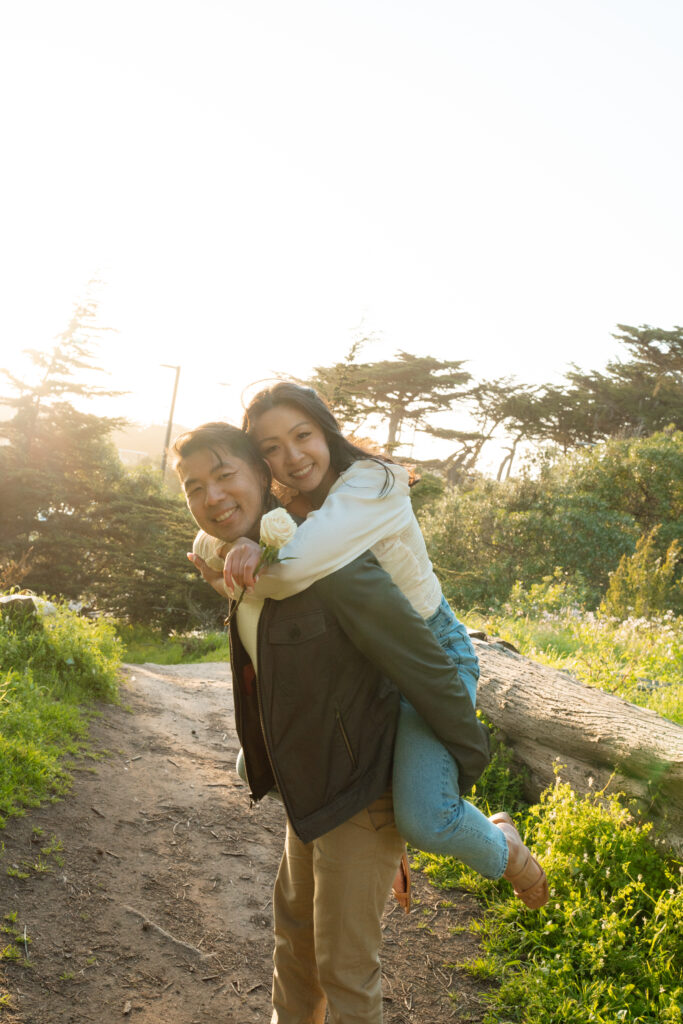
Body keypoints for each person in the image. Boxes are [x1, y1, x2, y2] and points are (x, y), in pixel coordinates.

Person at [170, 421, 492, 1024]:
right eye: (192, 486)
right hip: (311, 782)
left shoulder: (327, 561)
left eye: (223, 475)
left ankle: (504, 848)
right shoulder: (237, 555)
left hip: (359, 785)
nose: (209, 496)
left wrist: (457, 758)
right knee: (295, 943)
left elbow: (417, 660)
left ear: (262, 480)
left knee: (344, 969)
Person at [191, 383, 548, 911]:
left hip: (430, 651)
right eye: (270, 448)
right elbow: (205, 539)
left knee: (428, 819)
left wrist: (234, 569)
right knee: (257, 766)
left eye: (302, 435)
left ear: (325, 430)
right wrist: (233, 546)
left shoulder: (374, 484)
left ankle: (508, 850)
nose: (291, 457)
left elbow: (292, 571)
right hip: (359, 659)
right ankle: (383, 829)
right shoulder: (287, 503)